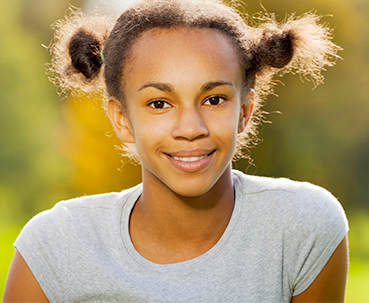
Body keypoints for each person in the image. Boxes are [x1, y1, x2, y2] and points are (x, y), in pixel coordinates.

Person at [4, 0, 349, 302]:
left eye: (214, 99)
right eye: (159, 103)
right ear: (122, 119)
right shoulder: (53, 248)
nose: (190, 128)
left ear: (244, 110)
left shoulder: (303, 225)